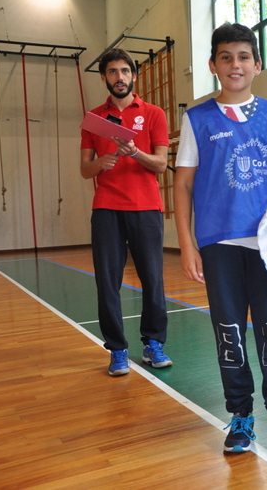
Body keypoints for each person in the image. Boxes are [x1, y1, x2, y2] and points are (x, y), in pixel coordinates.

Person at [173, 23, 267, 458]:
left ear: (258, 64)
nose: (235, 65)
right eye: (226, 57)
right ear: (213, 65)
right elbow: (183, 184)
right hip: (219, 244)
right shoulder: (197, 119)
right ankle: (241, 415)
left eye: (244, 57)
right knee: (229, 332)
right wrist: (187, 243)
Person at [80, 48, 172, 377]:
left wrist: (135, 153)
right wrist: (99, 164)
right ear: (104, 77)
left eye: (124, 71)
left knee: (153, 279)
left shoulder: (153, 114)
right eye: (112, 71)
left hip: (146, 208)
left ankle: (153, 343)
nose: (119, 77)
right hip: (107, 208)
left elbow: (160, 165)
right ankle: (117, 349)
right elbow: (85, 169)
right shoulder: (94, 119)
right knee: (107, 283)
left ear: (133, 75)